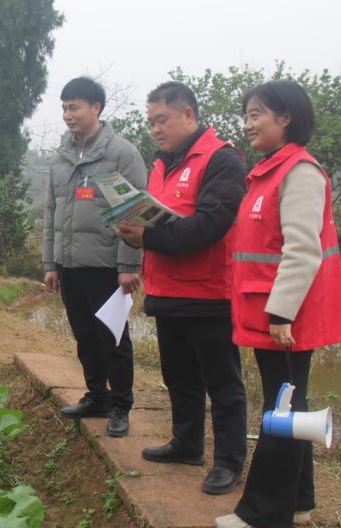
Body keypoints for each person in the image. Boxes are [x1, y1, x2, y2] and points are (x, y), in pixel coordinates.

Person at [215, 81, 341, 528]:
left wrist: (281, 312)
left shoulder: (300, 173)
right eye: (247, 114)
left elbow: (302, 249)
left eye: (257, 114)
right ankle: (298, 503)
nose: (248, 124)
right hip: (272, 315)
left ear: (285, 117)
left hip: (286, 319)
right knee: (291, 408)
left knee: (281, 412)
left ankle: (263, 516)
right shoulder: (269, 172)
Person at [115, 81, 248, 494]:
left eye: (162, 119)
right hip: (168, 291)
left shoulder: (222, 160)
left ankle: (228, 462)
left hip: (210, 294)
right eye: (150, 121)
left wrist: (145, 238)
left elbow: (209, 226)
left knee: (223, 384)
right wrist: (129, 229)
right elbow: (161, 222)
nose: (155, 128)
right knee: (179, 377)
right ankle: (187, 443)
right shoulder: (161, 164)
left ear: (188, 115)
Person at [43, 76, 147, 438]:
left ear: (96, 108)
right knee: (85, 334)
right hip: (70, 263)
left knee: (113, 336)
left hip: (106, 265)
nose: (67, 115)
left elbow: (133, 212)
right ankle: (96, 396)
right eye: (64, 108)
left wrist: (128, 265)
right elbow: (52, 212)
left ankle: (120, 404)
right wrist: (51, 263)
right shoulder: (61, 156)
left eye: (74, 107)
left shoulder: (120, 153)